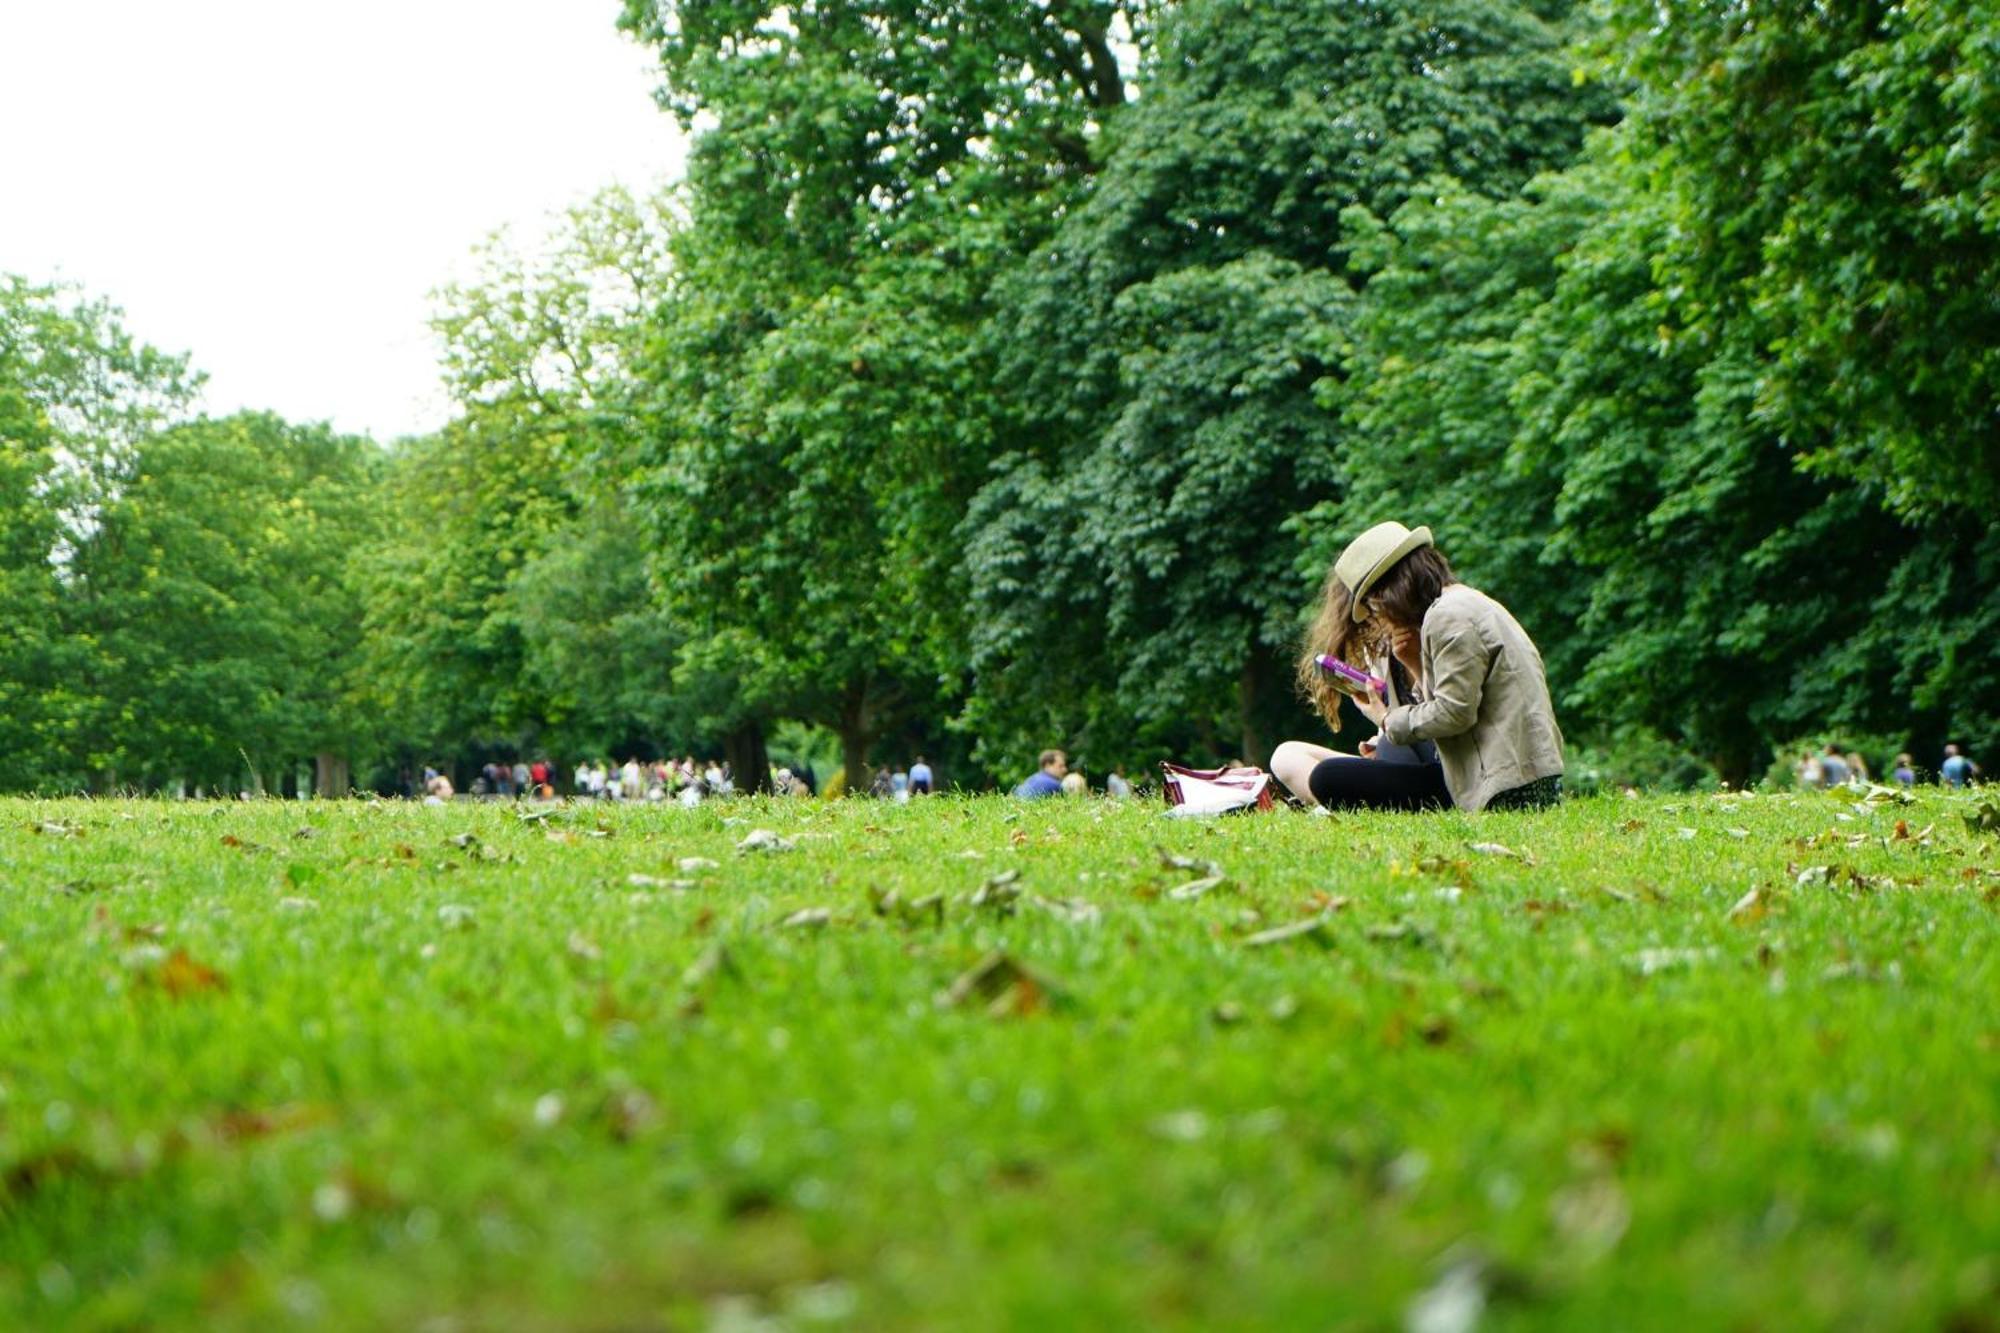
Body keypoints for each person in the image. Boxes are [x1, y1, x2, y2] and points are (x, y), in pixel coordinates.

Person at [1271, 522, 1564, 813]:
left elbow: (1454, 714)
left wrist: (1386, 720)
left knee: (1327, 777)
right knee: (1382, 750)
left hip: (1505, 788)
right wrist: (1412, 661)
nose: (1378, 615)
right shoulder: (1460, 603)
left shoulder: (1448, 616)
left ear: (1392, 588)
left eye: (1374, 604)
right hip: (1508, 776)